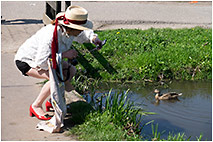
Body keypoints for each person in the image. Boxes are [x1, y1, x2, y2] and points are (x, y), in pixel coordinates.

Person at [14, 5, 103, 120]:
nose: (82, 30)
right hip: (27, 61)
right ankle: (36, 105)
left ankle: (52, 101)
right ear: (71, 28)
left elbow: (83, 34)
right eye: (80, 28)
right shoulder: (50, 35)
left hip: (46, 59)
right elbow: (42, 61)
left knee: (71, 70)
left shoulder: (69, 31)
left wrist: (94, 39)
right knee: (56, 78)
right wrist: (64, 55)